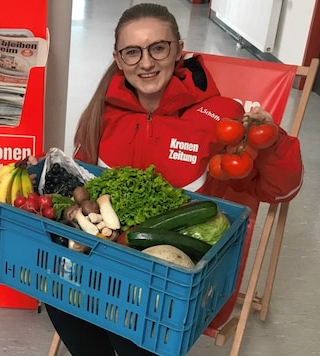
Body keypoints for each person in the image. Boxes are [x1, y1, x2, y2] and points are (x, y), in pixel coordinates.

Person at [44, 3, 303, 355]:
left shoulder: (223, 117)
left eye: (158, 48)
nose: (146, 63)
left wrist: (271, 140)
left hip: (174, 278)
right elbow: (87, 188)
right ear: (118, 59)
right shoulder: (103, 111)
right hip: (107, 260)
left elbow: (279, 190)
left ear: (179, 49)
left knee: (129, 323)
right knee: (59, 296)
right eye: (132, 52)